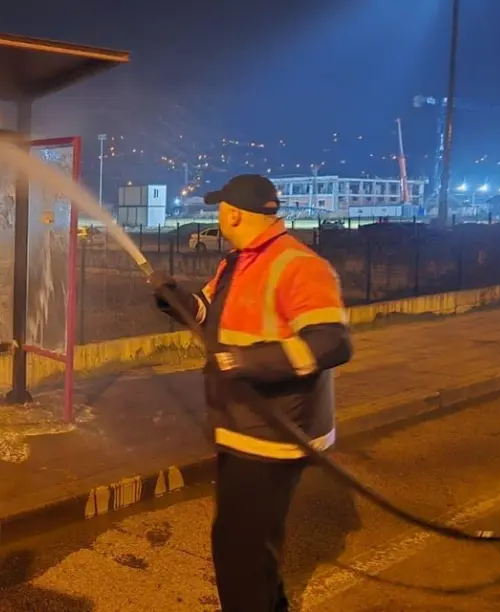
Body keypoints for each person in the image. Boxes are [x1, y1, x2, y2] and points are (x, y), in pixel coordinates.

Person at [151, 174, 353, 612]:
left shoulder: (298, 265)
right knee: (249, 549)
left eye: (220, 208)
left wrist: (247, 363)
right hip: (242, 429)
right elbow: (208, 312)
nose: (218, 215)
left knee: (238, 554)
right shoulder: (238, 262)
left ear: (235, 213)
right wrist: (177, 301)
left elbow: (332, 342)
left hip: (276, 434)